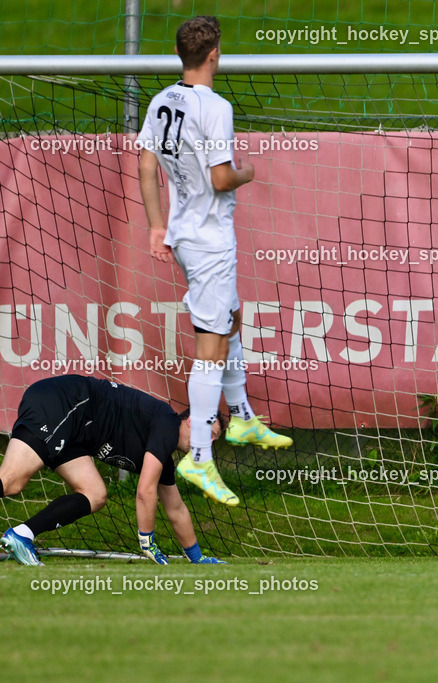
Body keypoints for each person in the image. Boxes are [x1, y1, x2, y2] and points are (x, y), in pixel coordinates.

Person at [138, 15, 292, 507]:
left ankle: (243, 415)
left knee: (229, 318)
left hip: (184, 233)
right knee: (211, 343)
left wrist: (156, 224)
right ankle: (200, 454)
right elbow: (222, 178)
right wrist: (248, 171)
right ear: (214, 55)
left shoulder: (162, 99)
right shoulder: (216, 107)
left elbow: (146, 164)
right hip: (208, 240)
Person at [0, 375, 227, 566]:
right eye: (210, 433)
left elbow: (176, 509)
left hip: (75, 431)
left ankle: (22, 535)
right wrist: (147, 540)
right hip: (65, 402)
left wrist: (197, 559)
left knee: (95, 494)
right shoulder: (167, 425)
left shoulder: (161, 454)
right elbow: (144, 491)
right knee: (10, 481)